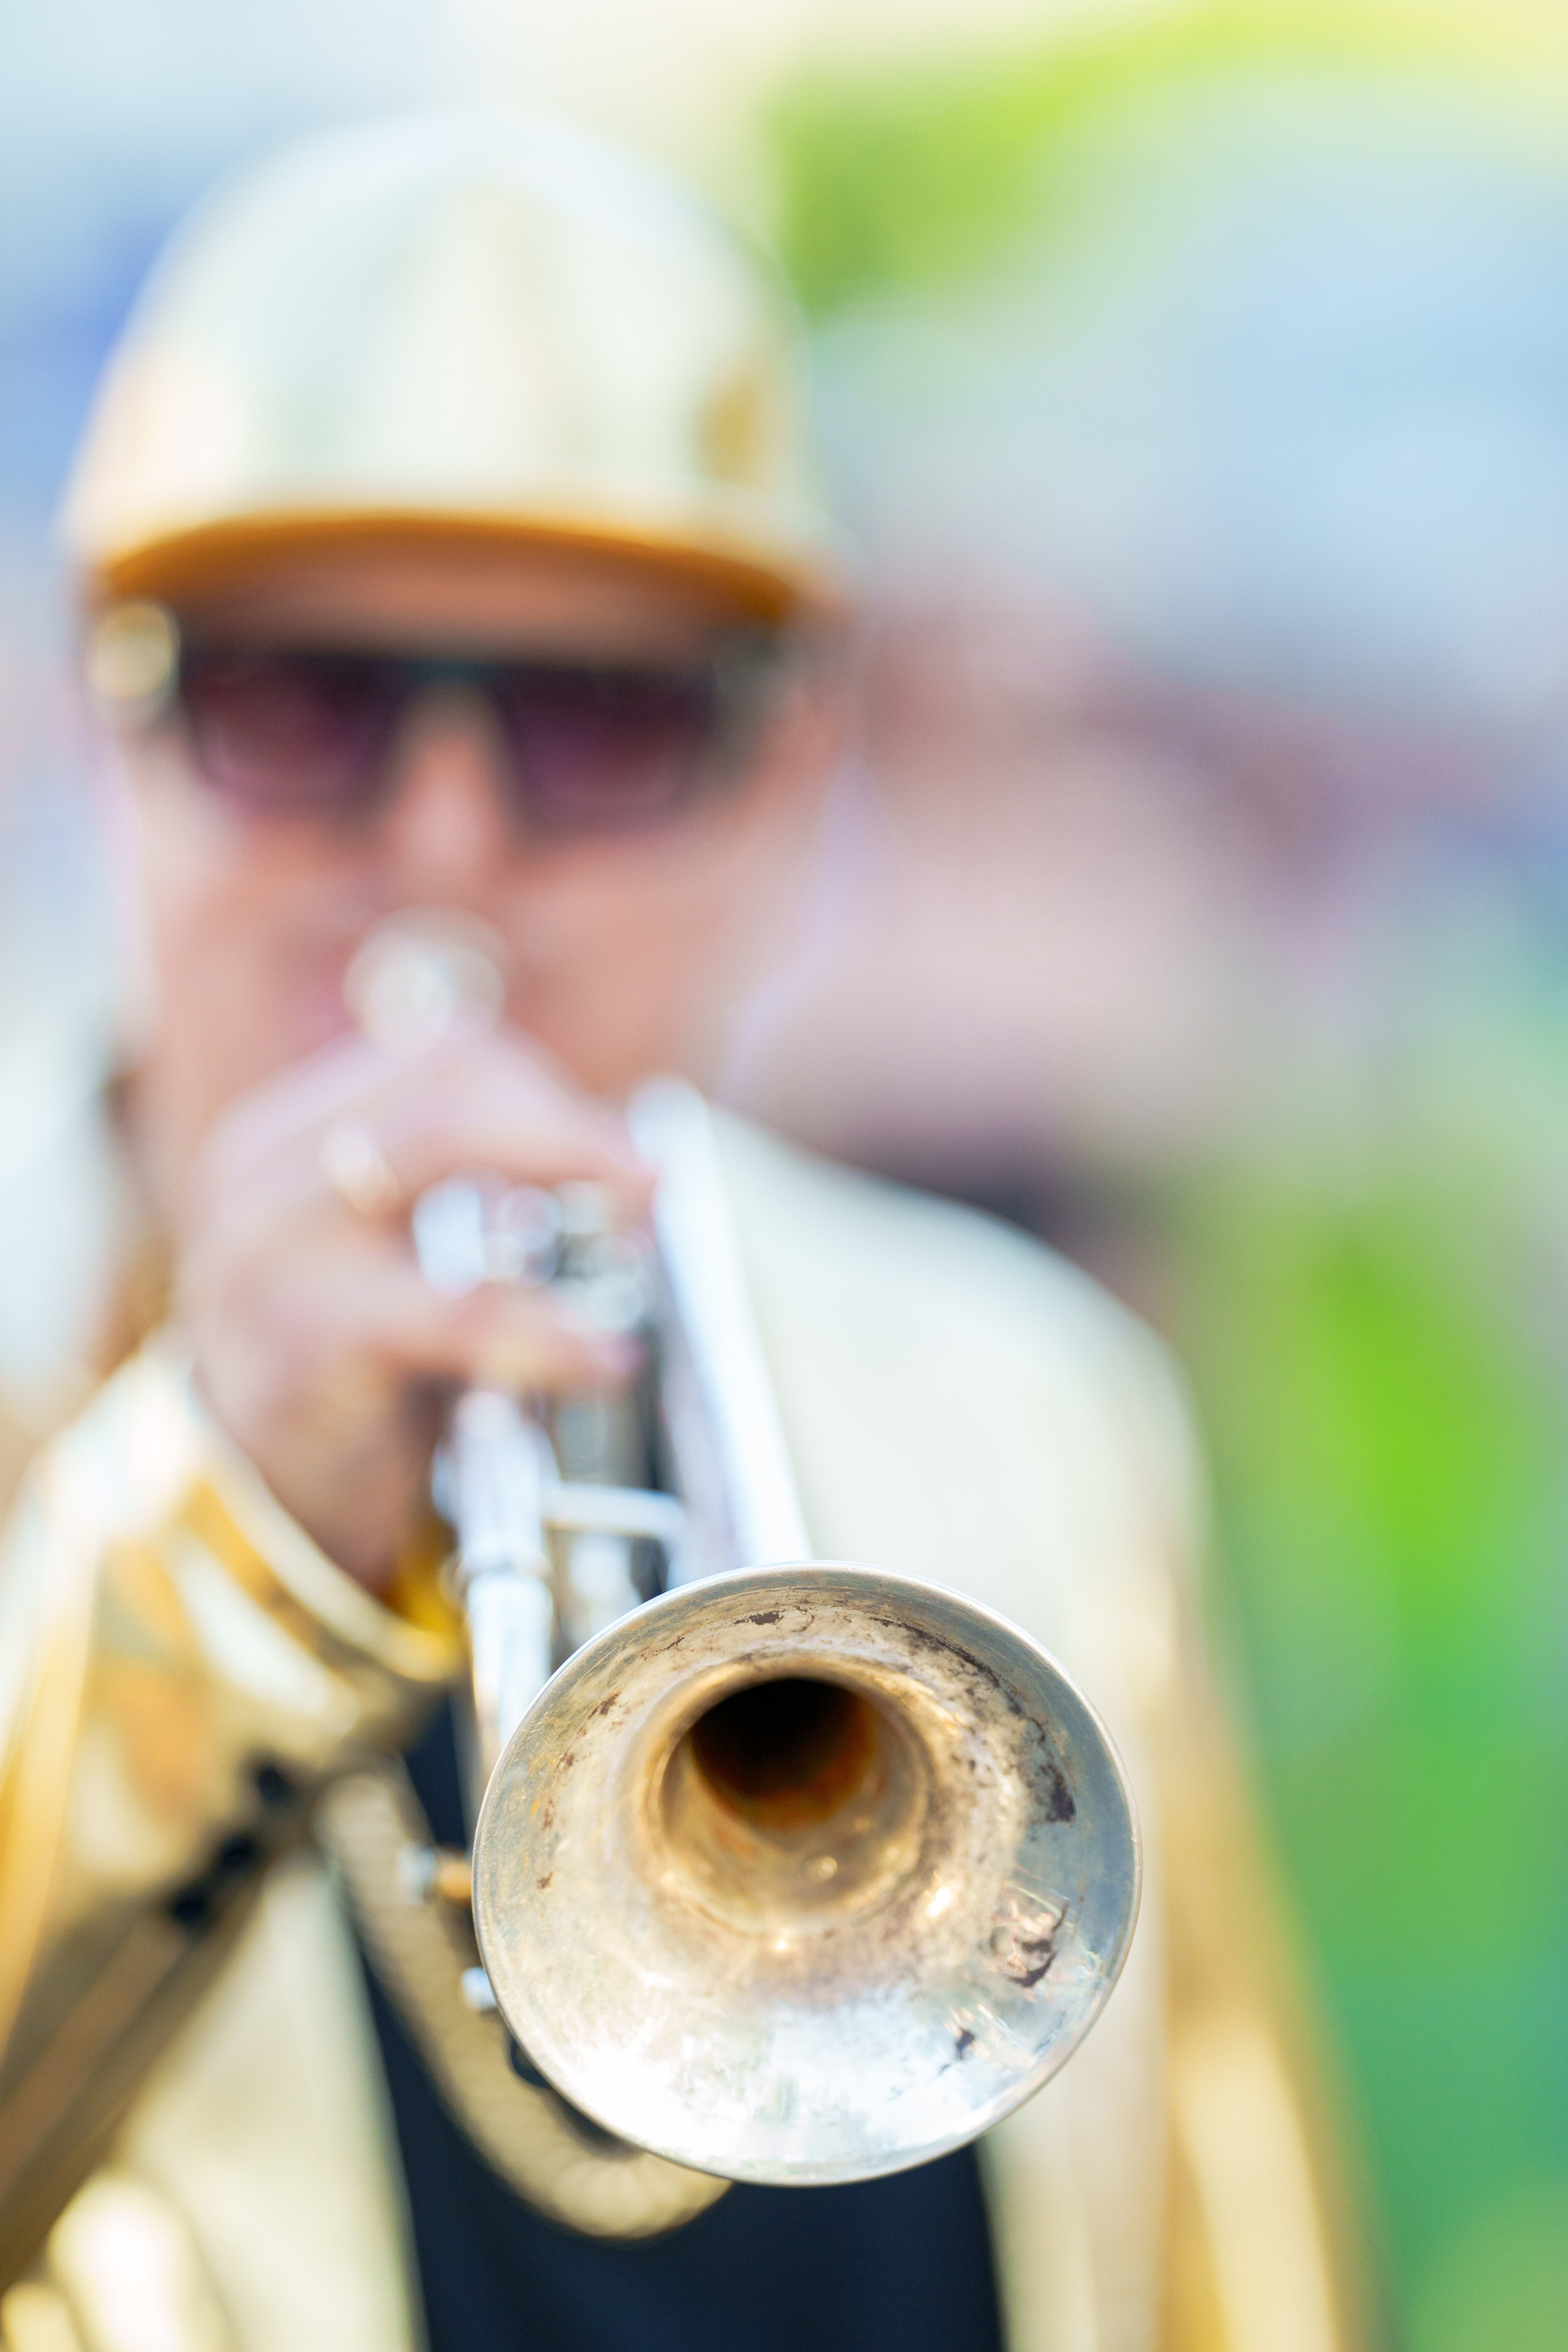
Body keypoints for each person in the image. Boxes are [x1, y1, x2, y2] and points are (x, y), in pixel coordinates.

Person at [0, 113, 1360, 2352]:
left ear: (790, 771)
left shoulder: (1028, 1401)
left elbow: (1241, 2277)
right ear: (100, 719)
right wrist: (215, 1558)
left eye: (603, 721)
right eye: (298, 698)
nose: (440, 843)